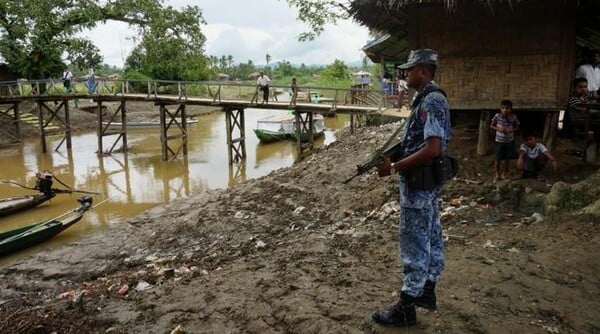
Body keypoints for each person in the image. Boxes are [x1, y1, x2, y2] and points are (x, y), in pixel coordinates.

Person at [373, 49, 451, 327]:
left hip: (419, 185)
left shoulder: (432, 100)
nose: (405, 75)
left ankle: (407, 306)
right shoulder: (427, 99)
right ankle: (426, 291)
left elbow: (432, 149)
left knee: (414, 242)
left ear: (422, 70)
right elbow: (421, 143)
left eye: (409, 69)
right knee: (430, 234)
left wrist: (394, 168)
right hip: (423, 184)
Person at [490, 99, 520, 181]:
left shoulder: (513, 117)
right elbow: (491, 125)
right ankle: (496, 174)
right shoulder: (497, 116)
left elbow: (517, 126)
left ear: (510, 109)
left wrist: (511, 130)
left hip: (509, 141)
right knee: (497, 159)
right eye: (503, 108)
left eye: (507, 108)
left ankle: (504, 174)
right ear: (500, 108)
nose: (505, 110)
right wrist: (498, 129)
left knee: (507, 159)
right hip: (499, 141)